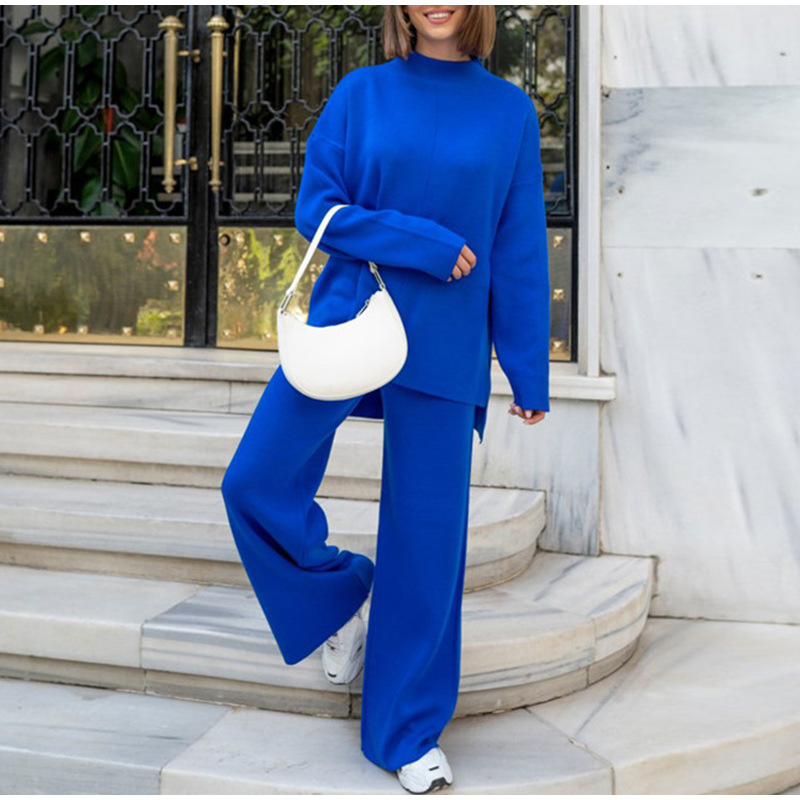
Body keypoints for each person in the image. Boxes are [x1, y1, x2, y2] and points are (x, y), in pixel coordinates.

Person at [221, 4, 550, 794]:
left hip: (447, 344)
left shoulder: (509, 111)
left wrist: (526, 368)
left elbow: (518, 246)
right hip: (348, 321)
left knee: (427, 547)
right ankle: (339, 596)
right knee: (254, 480)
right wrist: (423, 243)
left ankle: (407, 733)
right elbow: (318, 209)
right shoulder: (361, 93)